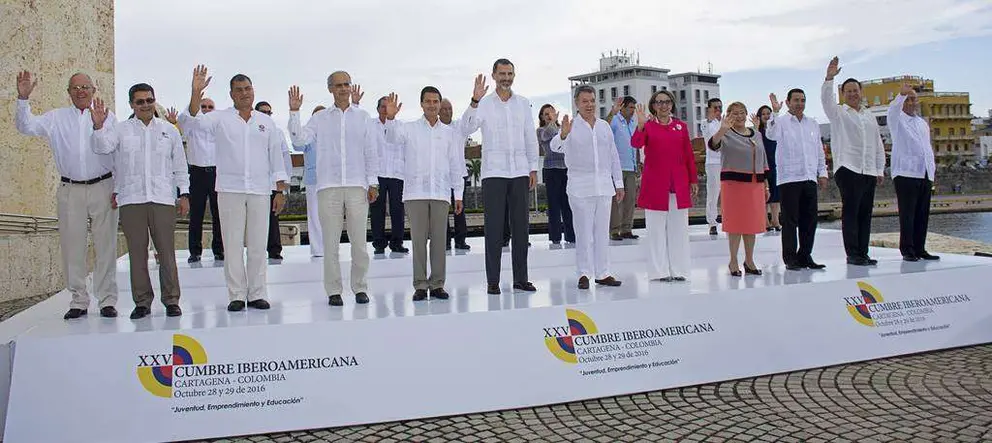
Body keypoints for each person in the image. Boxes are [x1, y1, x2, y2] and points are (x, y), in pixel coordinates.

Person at [180, 65, 289, 312]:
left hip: (261, 190)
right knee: (232, 244)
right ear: (231, 94)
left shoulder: (266, 122)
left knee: (258, 244)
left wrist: (280, 190)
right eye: (239, 90)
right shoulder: (220, 118)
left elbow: (276, 157)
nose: (244, 93)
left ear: (253, 91)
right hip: (230, 189)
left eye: (248, 89)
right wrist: (196, 93)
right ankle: (237, 295)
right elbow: (191, 123)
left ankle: (258, 293)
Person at [14, 70, 120, 319]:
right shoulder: (56, 118)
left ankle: (106, 300)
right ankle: (78, 300)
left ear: (94, 90)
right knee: (73, 246)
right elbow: (26, 126)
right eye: (75, 88)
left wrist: (99, 127)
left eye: (86, 86)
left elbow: (116, 152)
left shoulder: (109, 117)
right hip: (70, 189)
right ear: (69, 93)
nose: (81, 91)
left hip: (103, 187)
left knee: (106, 245)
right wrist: (23, 99)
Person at [91, 83, 190, 319]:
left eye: (149, 100)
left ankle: (171, 300)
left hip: (162, 198)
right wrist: (97, 126)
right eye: (140, 101)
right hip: (132, 199)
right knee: (137, 254)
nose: (145, 105)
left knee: (166, 253)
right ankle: (142, 302)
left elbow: (179, 166)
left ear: (154, 101)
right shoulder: (120, 130)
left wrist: (184, 194)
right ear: (131, 105)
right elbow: (102, 147)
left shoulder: (169, 130)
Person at [287, 71, 379, 307]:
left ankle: (360, 287)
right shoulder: (320, 119)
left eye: (346, 84)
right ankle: (333, 291)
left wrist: (373, 182)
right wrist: (294, 112)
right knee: (331, 243)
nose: (343, 88)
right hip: (328, 186)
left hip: (357, 186)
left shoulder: (363, 117)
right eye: (338, 85)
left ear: (351, 87)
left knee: (359, 243)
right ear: (330, 89)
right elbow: (299, 141)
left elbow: (370, 152)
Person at [459, 59, 539, 295]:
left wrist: (533, 167)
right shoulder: (483, 104)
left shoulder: (523, 104)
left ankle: (521, 278)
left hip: (519, 172)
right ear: (494, 75)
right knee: (493, 229)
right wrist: (474, 100)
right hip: (494, 173)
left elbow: (529, 137)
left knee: (521, 228)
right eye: (502, 73)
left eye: (510, 73)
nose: (506, 77)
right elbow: (466, 128)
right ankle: (493, 280)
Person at [382, 88, 467, 300]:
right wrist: (391, 118)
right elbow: (391, 138)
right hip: (415, 193)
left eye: (435, 101)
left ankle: (437, 284)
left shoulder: (450, 133)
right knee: (419, 241)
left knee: (439, 241)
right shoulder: (408, 129)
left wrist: (458, 195)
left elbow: (456, 165)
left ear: (440, 104)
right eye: (428, 101)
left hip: (440, 193)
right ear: (421, 104)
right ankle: (420, 284)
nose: (432, 105)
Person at [549, 85, 624, 289]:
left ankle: (603, 273)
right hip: (580, 188)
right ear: (577, 103)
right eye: (585, 101)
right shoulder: (570, 126)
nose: (589, 105)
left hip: (603, 187)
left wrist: (618, 183)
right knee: (583, 233)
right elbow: (555, 147)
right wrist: (563, 134)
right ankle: (584, 273)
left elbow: (613, 156)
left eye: (592, 100)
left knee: (601, 232)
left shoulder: (604, 126)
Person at [821, 56, 886, 266]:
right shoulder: (839, 112)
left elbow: (877, 144)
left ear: (861, 92)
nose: (852, 94)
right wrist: (829, 78)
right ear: (843, 94)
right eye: (848, 91)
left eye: (855, 90)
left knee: (865, 213)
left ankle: (863, 252)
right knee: (851, 213)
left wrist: (879, 169)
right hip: (848, 168)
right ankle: (853, 254)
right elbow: (826, 101)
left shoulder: (869, 115)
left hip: (868, 170)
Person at [630, 90, 698, 282]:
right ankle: (658, 271)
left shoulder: (681, 126)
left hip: (678, 183)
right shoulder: (648, 126)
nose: (663, 106)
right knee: (656, 231)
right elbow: (636, 143)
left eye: (667, 102)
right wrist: (641, 126)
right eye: (659, 102)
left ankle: (680, 270)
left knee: (679, 230)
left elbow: (688, 156)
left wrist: (693, 179)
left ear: (672, 104)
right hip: (655, 185)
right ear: (653, 105)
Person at [766, 89, 829, 271]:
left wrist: (822, 172)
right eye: (796, 100)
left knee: (810, 220)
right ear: (788, 102)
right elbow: (771, 134)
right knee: (790, 220)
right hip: (790, 178)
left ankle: (805, 255)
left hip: (809, 177)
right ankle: (790, 257)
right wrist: (775, 112)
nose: (799, 103)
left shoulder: (812, 124)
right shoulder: (781, 122)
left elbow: (818, 149)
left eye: (802, 100)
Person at [707, 102, 770, 276]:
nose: (740, 116)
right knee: (735, 224)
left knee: (751, 224)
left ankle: (749, 260)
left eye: (742, 113)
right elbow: (713, 145)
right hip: (733, 185)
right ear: (729, 116)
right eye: (735, 113)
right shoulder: (726, 133)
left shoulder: (756, 134)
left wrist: (765, 184)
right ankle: (733, 260)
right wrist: (722, 129)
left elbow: (763, 159)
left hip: (754, 184)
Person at [888, 83, 939, 262]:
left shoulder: (922, 123)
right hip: (906, 173)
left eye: (913, 99)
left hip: (924, 173)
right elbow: (893, 109)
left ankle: (920, 248)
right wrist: (900, 95)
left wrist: (931, 170)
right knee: (907, 213)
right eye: (907, 100)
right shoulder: (897, 119)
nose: (910, 103)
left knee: (922, 213)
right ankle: (907, 249)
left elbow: (926, 148)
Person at [179, 96, 224, 263]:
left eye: (209, 107)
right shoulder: (191, 125)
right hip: (196, 173)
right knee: (196, 214)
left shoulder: (219, 125)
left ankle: (219, 250)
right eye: (203, 106)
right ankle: (195, 251)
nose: (206, 109)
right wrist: (194, 98)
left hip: (216, 173)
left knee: (218, 214)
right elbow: (183, 118)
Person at [254, 101, 294, 260]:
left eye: (269, 112)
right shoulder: (248, 130)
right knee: (255, 219)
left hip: (273, 184)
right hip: (254, 184)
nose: (266, 115)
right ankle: (256, 252)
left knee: (272, 218)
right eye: (263, 112)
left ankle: (274, 251)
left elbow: (285, 157)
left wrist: (284, 183)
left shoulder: (278, 132)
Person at [370, 96, 409, 255]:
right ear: (378, 109)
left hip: (397, 174)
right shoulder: (370, 126)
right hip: (377, 173)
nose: (386, 110)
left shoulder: (401, 126)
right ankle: (379, 243)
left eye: (389, 106)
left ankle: (397, 243)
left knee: (398, 210)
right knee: (377, 210)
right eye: (383, 107)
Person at [537, 103, 575, 245]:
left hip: (565, 169)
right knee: (553, 205)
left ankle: (571, 236)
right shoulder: (540, 130)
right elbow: (547, 136)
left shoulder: (562, 129)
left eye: (551, 113)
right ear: (542, 117)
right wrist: (552, 122)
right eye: (546, 114)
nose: (549, 116)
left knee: (567, 204)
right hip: (551, 170)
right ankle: (555, 237)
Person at [605, 96, 640, 240]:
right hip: (616, 167)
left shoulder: (633, 123)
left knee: (630, 200)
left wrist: (638, 162)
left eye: (634, 108)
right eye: (630, 107)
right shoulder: (614, 121)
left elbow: (635, 145)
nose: (633, 111)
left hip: (631, 167)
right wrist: (612, 112)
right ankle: (614, 230)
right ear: (623, 107)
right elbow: (604, 128)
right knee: (616, 201)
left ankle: (626, 228)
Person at [439, 98, 471, 251]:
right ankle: (444, 241)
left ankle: (460, 241)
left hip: (459, 175)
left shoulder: (460, 127)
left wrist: (474, 101)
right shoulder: (435, 129)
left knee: (460, 210)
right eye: (444, 109)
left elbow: (469, 118)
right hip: (442, 176)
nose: (447, 112)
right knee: (442, 211)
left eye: (450, 108)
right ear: (438, 111)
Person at [297, 105, 327, 257]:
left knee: (331, 214)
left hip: (330, 180)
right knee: (314, 214)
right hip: (313, 180)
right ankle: (317, 249)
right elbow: (297, 145)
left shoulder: (332, 134)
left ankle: (330, 247)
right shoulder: (307, 135)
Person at [757, 105, 782, 231]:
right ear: (759, 117)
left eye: (768, 113)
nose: (766, 116)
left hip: (776, 164)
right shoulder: (758, 132)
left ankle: (775, 220)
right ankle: (765, 221)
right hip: (762, 165)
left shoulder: (776, 130)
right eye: (763, 114)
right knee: (764, 194)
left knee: (776, 193)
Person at [701, 98, 724, 236]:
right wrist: (711, 120)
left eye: (720, 107)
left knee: (728, 194)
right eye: (715, 108)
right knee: (713, 193)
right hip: (713, 163)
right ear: (709, 109)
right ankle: (712, 223)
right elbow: (709, 137)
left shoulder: (726, 122)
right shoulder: (705, 123)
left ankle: (728, 220)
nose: (718, 110)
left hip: (727, 162)